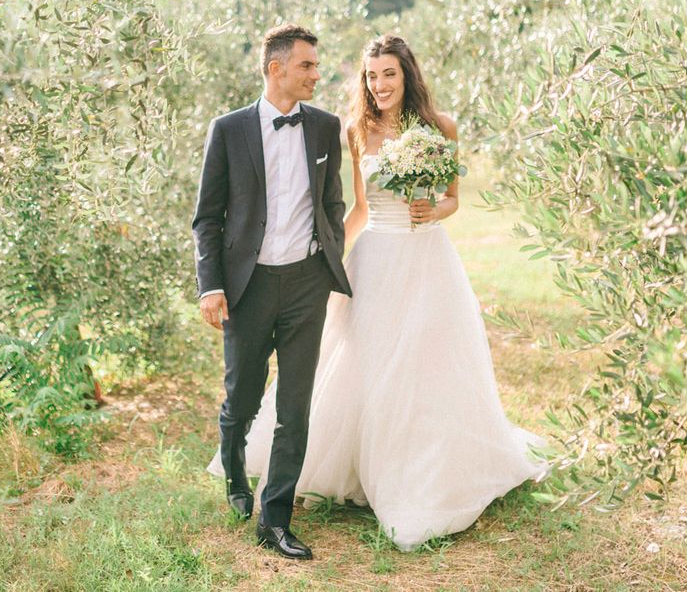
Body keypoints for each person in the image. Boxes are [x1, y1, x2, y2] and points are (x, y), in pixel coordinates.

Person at [208, 33, 546, 551]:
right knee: (358, 365)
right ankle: (334, 471)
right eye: (371, 75)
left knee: (427, 368)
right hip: (375, 259)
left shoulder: (440, 128)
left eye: (388, 73)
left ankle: (420, 475)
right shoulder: (354, 131)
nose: (380, 84)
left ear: (406, 74)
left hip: (428, 258)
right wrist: (333, 265)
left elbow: (453, 199)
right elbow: (357, 209)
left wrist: (434, 210)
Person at [193, 24, 351, 560]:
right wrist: (211, 285)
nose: (316, 74)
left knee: (295, 406)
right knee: (242, 396)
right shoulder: (229, 129)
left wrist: (330, 257)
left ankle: (275, 517)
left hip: (308, 284)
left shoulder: (326, 128)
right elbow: (206, 219)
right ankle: (234, 465)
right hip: (249, 286)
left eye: (316, 64)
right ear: (275, 68)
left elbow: (334, 204)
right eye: (307, 65)